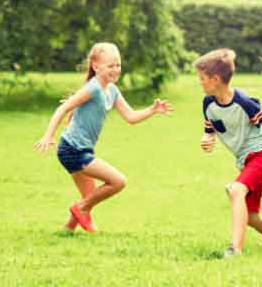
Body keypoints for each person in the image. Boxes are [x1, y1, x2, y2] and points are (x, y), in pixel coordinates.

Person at [33, 42, 173, 232]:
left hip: (81, 149)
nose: (115, 70)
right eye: (110, 66)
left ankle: (67, 230)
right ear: (95, 66)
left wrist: (152, 110)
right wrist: (48, 135)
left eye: (118, 65)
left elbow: (131, 117)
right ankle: (80, 209)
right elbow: (64, 108)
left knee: (89, 198)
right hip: (72, 150)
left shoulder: (112, 90)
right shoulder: (93, 88)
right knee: (118, 181)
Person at [195, 48, 262, 258]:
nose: (199, 82)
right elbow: (210, 130)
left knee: (236, 191)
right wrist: (207, 139)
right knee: (250, 215)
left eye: (202, 78)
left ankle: (235, 250)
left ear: (215, 79)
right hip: (246, 160)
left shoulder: (244, 102)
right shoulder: (208, 103)